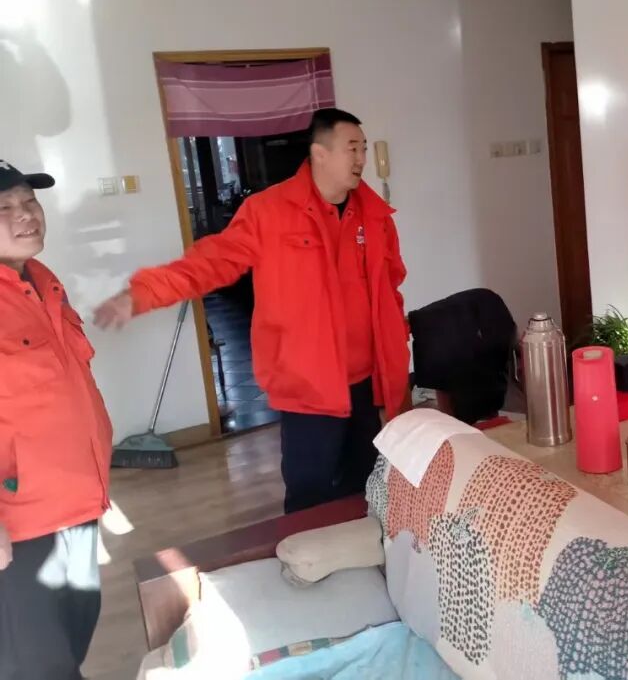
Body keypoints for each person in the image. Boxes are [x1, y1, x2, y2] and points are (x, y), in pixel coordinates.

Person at [94, 108, 411, 512]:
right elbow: (211, 262)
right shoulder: (270, 212)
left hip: (367, 380)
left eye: (364, 148)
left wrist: (396, 351)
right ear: (320, 153)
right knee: (310, 495)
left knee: (368, 486)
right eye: (353, 148)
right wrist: (142, 294)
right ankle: (308, 550)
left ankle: (361, 548)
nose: (362, 158)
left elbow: (390, 288)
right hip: (308, 385)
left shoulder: (375, 215)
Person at [0, 160, 113, 680]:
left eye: (29, 201)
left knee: (77, 625)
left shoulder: (43, 282)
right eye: (5, 208)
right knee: (39, 662)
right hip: (22, 520)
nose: (25, 214)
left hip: (77, 501)